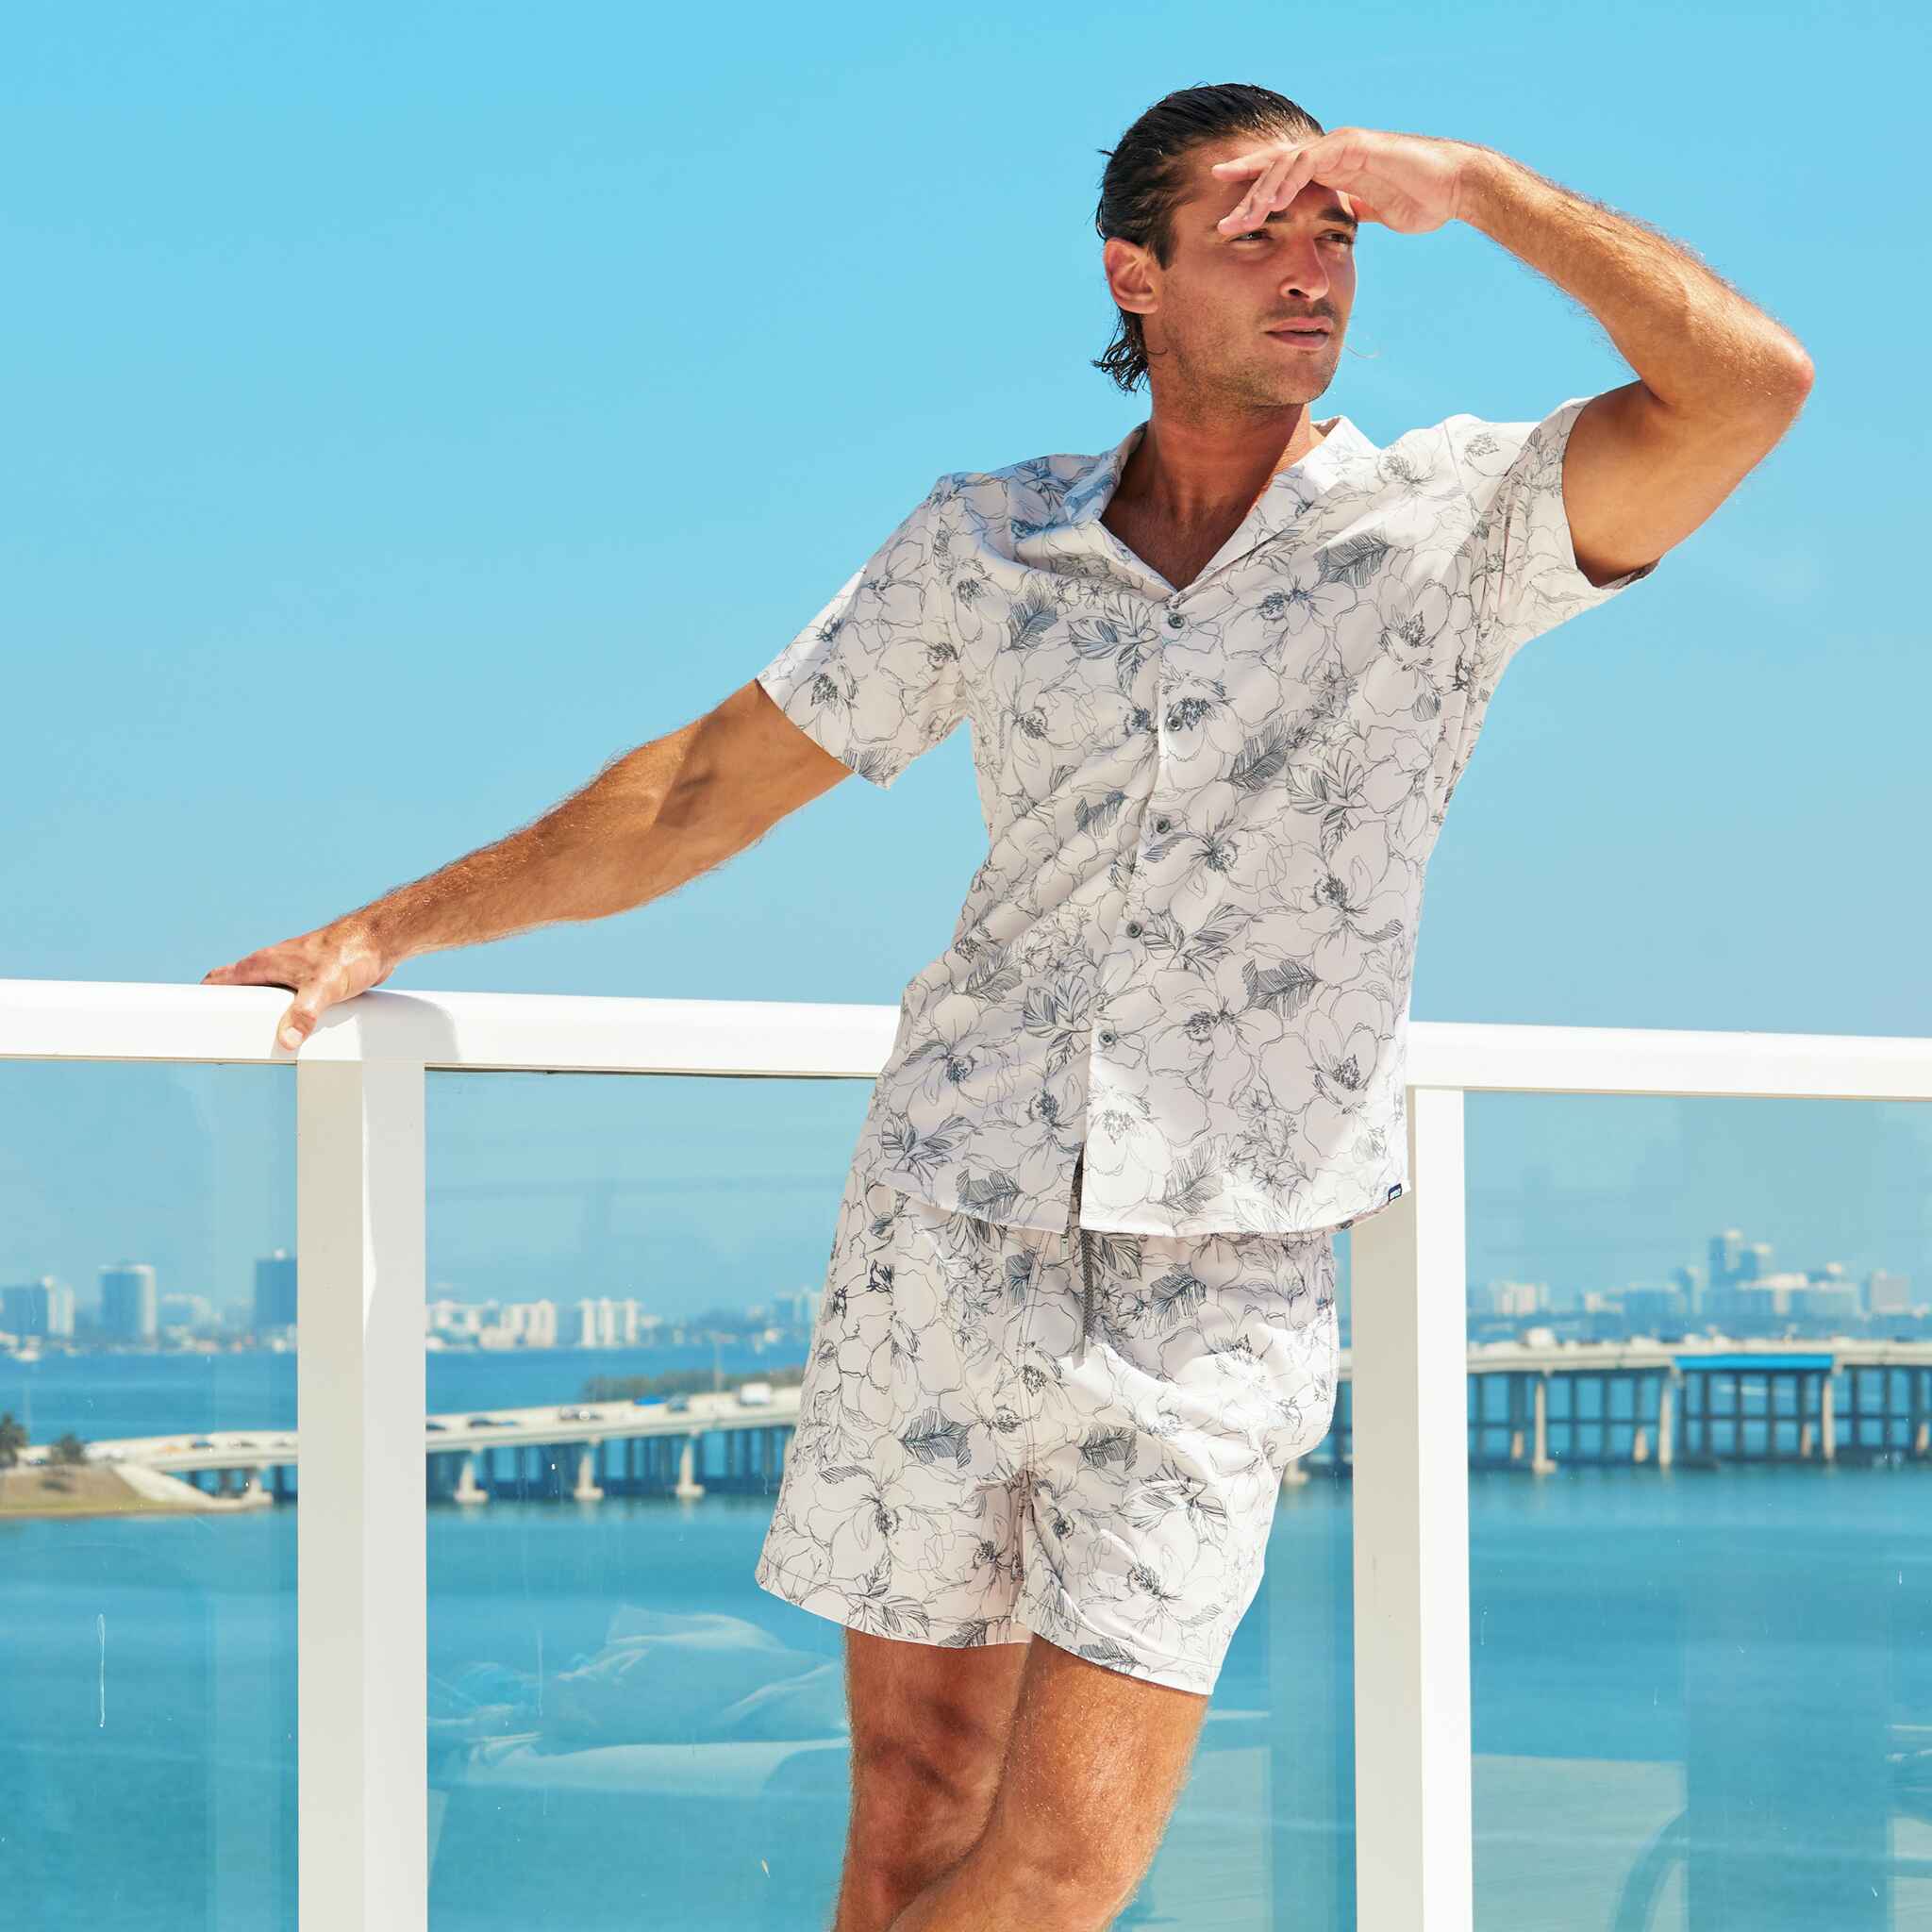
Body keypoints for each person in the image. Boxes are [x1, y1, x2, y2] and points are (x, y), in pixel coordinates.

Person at [205, 82, 1810, 1932]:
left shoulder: (1451, 525)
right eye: (1256, 235)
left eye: (1336, 236)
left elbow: (1744, 387)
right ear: (1132, 275)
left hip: (1223, 1273)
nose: (1313, 275)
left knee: (1054, 1873)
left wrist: (1478, 186)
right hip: (944, 1227)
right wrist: (384, 924)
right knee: (906, 1813)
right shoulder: (990, 543)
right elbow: (705, 784)